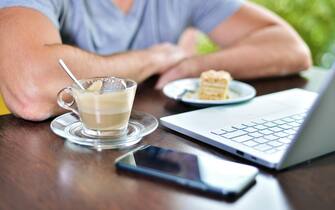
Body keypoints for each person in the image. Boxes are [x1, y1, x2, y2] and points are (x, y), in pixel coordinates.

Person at [0, 0, 311, 121]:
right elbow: (32, 91)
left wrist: (190, 66)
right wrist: (151, 59)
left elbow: (292, 49)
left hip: (145, 158)